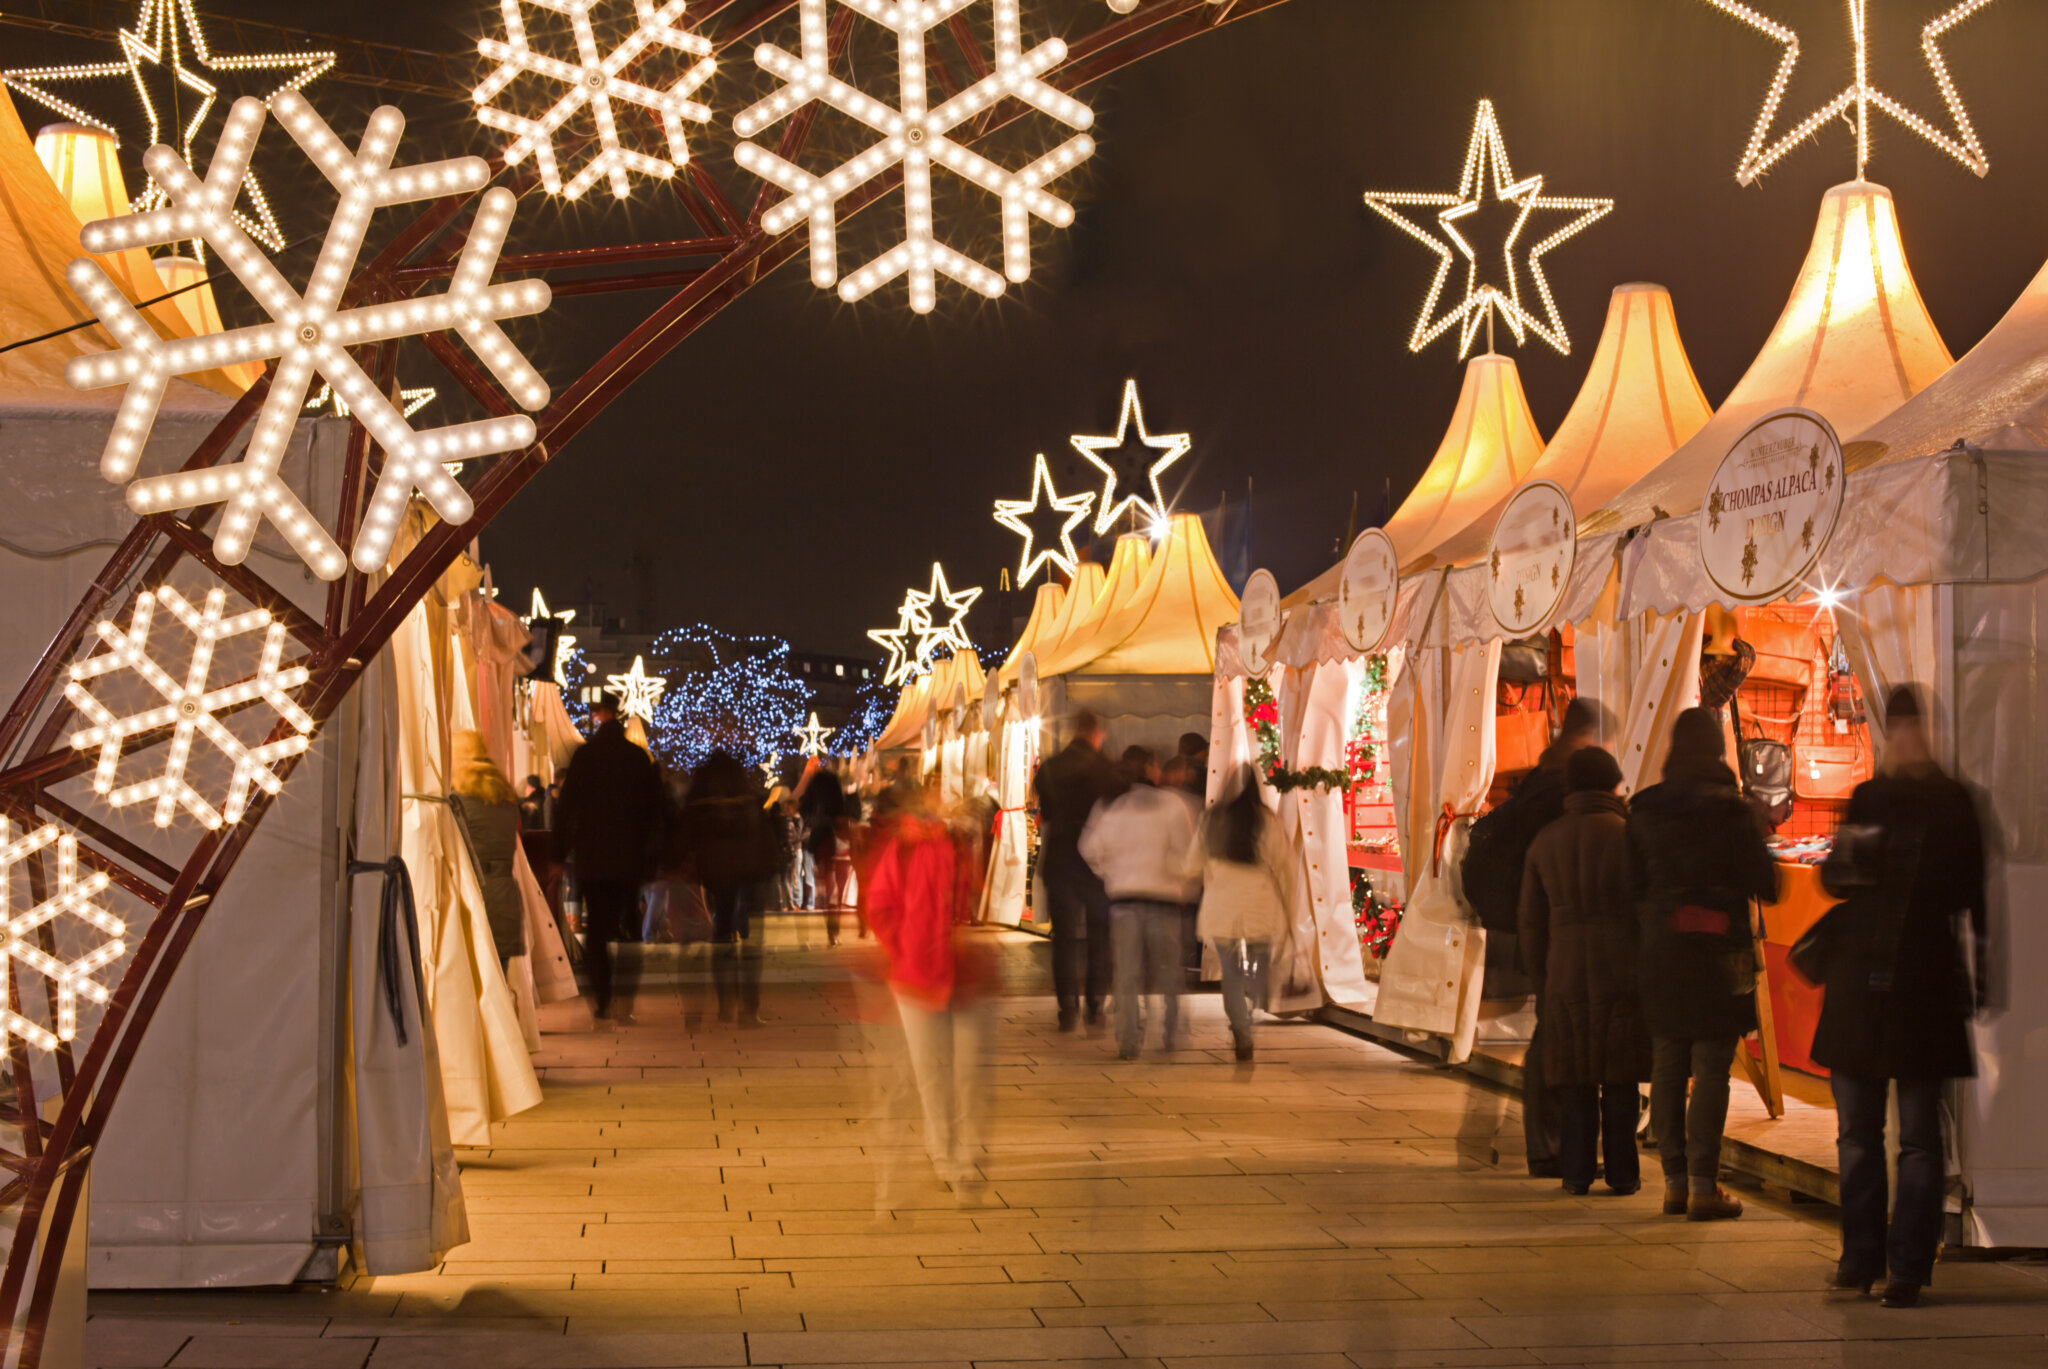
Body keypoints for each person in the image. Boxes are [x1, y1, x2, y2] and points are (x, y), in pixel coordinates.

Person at [1811, 686, 1988, 1308]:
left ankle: (1880, 1262)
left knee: (1884, 1134)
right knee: (1890, 1134)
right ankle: (1886, 1265)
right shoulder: (1950, 800)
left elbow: (1839, 878)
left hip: (1885, 982)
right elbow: (1971, 895)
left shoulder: (1878, 797)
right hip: (1914, 983)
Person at [1626, 706, 1778, 1220]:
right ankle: (1702, 1185)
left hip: (1662, 952)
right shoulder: (1733, 811)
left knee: (1668, 1064)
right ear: (1717, 750)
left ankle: (1672, 1183)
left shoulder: (1645, 809)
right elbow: (1769, 885)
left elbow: (1630, 886)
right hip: (1719, 954)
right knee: (1712, 1069)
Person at [1463, 697, 1597, 1179]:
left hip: (1535, 925)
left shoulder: (1542, 778)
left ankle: (1549, 1143)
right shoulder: (1560, 792)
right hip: (1552, 929)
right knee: (1555, 1033)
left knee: (1551, 1029)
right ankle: (1548, 1145)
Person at [1518, 745, 1651, 1196]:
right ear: (1614, 783)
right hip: (1622, 971)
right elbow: (1645, 913)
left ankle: (1575, 1173)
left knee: (1575, 1080)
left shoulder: (1545, 841)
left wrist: (1543, 980)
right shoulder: (1630, 836)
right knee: (1620, 1080)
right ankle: (1624, 1174)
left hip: (1564, 972)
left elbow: (1530, 926)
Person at [864, 778, 997, 1191]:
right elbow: (880, 906)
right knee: (932, 1073)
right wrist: (904, 948)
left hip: (961, 973)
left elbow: (971, 898)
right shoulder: (902, 848)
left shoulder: (959, 845)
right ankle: (944, 1154)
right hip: (917, 974)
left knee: (965, 1071)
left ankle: (956, 1148)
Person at [1080, 745, 1202, 1059]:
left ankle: (1128, 1041)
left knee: (1126, 974)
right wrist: (1181, 880)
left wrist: (1111, 873)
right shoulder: (1171, 805)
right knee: (1168, 971)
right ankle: (1171, 1033)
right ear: (1151, 768)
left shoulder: (1112, 806)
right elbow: (1186, 854)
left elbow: (1089, 848)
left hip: (1124, 900)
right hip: (1163, 898)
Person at [557, 693, 666, 1024]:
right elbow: (655, 813)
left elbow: (566, 808)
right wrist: (654, 856)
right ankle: (624, 1000)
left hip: (593, 857)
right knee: (630, 928)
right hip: (629, 858)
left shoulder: (585, 757)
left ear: (601, 716)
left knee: (598, 931)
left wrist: (558, 852)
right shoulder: (637, 759)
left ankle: (603, 999)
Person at [1193, 764, 1290, 1062]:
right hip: (1260, 902)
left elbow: (1193, 862)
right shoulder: (1266, 819)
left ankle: (1241, 1028)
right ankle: (1248, 1012)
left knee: (1231, 972)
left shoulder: (1212, 819)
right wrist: (1288, 901)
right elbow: (1283, 864)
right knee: (1259, 967)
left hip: (1223, 903)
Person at [676, 751, 780, 1026]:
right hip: (751, 874)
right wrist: (770, 870)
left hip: (716, 874)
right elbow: (766, 838)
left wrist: (676, 864)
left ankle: (725, 1004)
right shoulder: (749, 800)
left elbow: (684, 835)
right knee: (751, 945)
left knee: (721, 933)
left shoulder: (701, 803)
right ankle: (749, 1010)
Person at [1032, 709, 1118, 1032]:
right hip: (1097, 862)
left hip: (1060, 857)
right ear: (1096, 732)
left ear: (1074, 730)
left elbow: (1048, 811)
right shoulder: (1104, 768)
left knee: (1064, 938)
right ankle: (1095, 1004)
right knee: (1100, 936)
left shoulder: (1050, 768)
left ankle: (1067, 1006)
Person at [450, 731, 526, 974]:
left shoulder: (456, 798)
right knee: (499, 978)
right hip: (504, 892)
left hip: (474, 893)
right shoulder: (503, 792)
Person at [798, 756, 850, 939]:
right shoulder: (832, 782)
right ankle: (831, 912)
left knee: (824, 876)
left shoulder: (814, 785)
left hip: (819, 833)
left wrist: (811, 820)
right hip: (831, 833)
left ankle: (826, 902)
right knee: (832, 877)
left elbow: (804, 808)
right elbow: (841, 808)